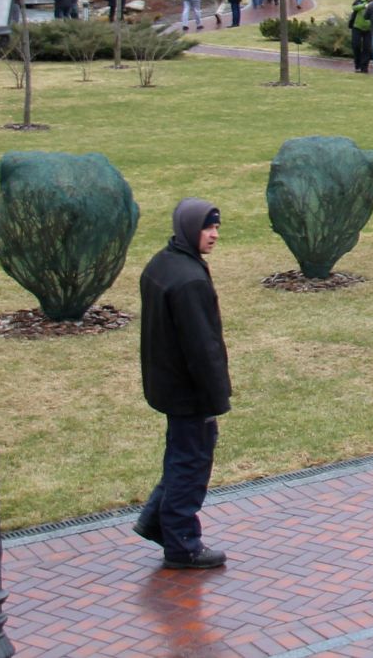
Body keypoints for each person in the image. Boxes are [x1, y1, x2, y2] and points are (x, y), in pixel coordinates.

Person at [134, 198, 231, 570]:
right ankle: (182, 544)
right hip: (190, 392)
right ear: (190, 229)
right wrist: (215, 397)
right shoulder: (189, 280)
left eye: (217, 228)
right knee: (191, 462)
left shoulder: (163, 263)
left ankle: (155, 520)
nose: (214, 235)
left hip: (167, 384)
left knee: (179, 456)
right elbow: (202, 346)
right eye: (208, 228)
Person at [348, 0, 373, 73]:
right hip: (357, 27)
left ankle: (364, 67)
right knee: (356, 45)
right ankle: (357, 65)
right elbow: (354, 7)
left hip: (369, 29)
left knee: (367, 48)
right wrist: (364, 6)